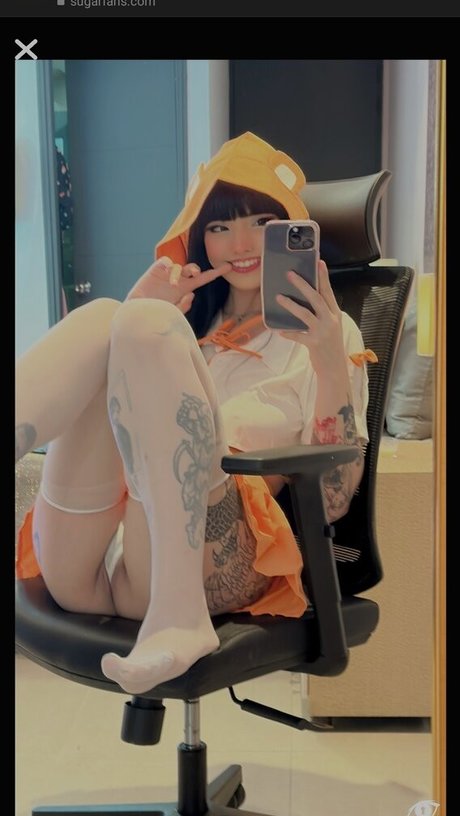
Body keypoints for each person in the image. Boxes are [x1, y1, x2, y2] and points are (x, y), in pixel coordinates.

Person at [15, 132, 370, 696]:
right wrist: (139, 311)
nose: (240, 243)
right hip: (97, 561)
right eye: (219, 227)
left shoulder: (328, 333)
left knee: (142, 326)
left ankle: (179, 617)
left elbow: (333, 500)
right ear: (199, 238)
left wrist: (328, 362)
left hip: (213, 562)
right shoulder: (180, 323)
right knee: (112, 315)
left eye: (262, 223)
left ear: (290, 230)